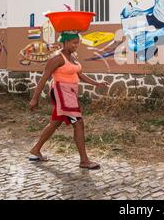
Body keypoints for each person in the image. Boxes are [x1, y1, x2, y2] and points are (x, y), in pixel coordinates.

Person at [28, 31, 108, 170]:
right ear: (64, 42)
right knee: (78, 123)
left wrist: (97, 84)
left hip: (70, 93)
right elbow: (44, 77)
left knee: (55, 122)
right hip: (61, 92)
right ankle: (84, 161)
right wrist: (35, 98)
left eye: (77, 42)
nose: (76, 45)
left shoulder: (72, 57)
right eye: (73, 43)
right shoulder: (57, 59)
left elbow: (80, 75)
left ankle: (36, 150)